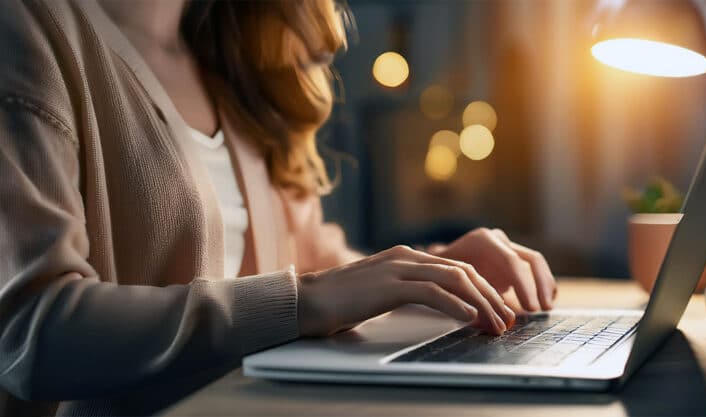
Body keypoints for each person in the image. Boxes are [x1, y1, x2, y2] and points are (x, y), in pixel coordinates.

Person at [0, 0, 557, 415]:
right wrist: (305, 300)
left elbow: (315, 264)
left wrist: (431, 271)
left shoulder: (233, 50)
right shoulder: (30, 31)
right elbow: (30, 338)